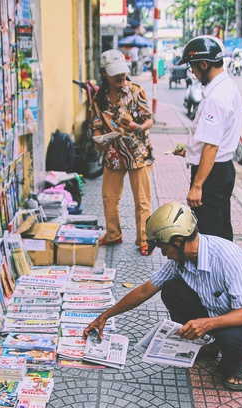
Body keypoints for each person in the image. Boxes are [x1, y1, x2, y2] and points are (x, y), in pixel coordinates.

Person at [83, 202, 242, 391]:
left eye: (164, 248)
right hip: (213, 314)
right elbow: (145, 290)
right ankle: (208, 345)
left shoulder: (227, 258)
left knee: (231, 341)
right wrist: (104, 316)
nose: (164, 254)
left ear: (180, 241)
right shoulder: (181, 260)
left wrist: (205, 324)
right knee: (171, 289)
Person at [173, 36, 242, 241]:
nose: (192, 73)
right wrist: (191, 151)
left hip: (212, 174)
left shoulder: (215, 97)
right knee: (221, 227)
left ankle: (214, 272)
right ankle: (224, 271)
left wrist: (197, 186)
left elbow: (212, 146)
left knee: (209, 234)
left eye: (193, 67)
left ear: (204, 64)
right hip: (222, 169)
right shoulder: (227, 86)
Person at [93, 49, 155, 255]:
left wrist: (136, 128)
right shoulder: (99, 98)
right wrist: (99, 140)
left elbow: (149, 119)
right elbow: (97, 124)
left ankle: (144, 239)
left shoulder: (136, 90)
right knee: (109, 197)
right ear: (104, 74)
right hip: (113, 154)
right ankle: (113, 234)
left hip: (138, 153)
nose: (121, 76)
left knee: (142, 200)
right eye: (115, 73)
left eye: (122, 72)